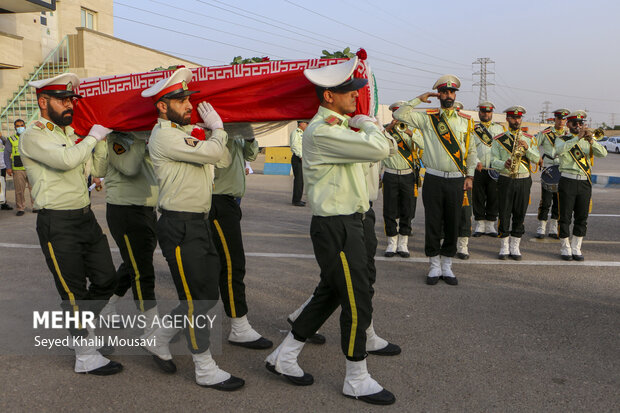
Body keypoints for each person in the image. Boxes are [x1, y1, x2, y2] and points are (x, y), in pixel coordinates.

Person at [265, 57, 398, 405]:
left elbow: (385, 152)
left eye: (356, 92)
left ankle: (285, 355)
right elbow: (382, 147)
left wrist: (361, 125)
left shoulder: (340, 128)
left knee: (331, 293)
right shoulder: (323, 132)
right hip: (336, 225)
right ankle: (356, 377)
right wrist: (368, 122)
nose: (356, 97)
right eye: (348, 92)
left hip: (349, 221)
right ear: (328, 97)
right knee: (356, 298)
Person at [142, 68, 244, 391]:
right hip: (179, 225)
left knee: (207, 295)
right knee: (195, 299)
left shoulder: (187, 135)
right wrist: (217, 130)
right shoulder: (165, 136)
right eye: (181, 100)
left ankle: (157, 337)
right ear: (162, 106)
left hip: (199, 223)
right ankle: (204, 366)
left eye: (189, 98)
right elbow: (216, 151)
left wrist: (210, 136)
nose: (189, 105)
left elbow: (223, 158)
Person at [19, 73, 121, 375]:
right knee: (73, 291)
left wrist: (100, 140)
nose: (69, 105)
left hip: (84, 218)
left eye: (71, 100)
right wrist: (92, 136)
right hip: (57, 223)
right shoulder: (34, 134)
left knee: (107, 280)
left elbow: (96, 168)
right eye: (63, 100)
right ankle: (85, 357)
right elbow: (65, 161)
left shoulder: (69, 133)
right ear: (42, 101)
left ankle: (82, 332)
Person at [393, 74, 477, 286]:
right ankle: (433, 265)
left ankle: (447, 264)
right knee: (433, 222)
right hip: (433, 178)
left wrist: (470, 175)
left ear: (455, 95)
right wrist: (419, 99)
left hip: (457, 180)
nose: (448, 95)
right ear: (438, 95)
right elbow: (400, 114)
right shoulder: (428, 118)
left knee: (452, 222)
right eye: (444, 92)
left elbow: (472, 151)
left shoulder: (466, 121)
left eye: (451, 92)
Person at [208, 130, 273, 349]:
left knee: (218, 267)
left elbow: (251, 155)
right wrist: (221, 131)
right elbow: (219, 160)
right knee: (232, 264)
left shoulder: (233, 131)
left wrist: (250, 136)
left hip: (231, 201)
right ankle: (239, 326)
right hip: (217, 201)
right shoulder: (212, 132)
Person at [96, 130, 160, 342]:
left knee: (134, 263)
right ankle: (151, 327)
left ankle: (107, 305)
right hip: (125, 210)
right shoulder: (117, 140)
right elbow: (130, 167)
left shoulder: (149, 138)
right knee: (142, 270)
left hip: (147, 210)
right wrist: (141, 139)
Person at [555, 111, 607, 260]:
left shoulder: (588, 140)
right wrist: (577, 138)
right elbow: (559, 150)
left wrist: (591, 141)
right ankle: (565, 247)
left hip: (584, 181)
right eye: (574, 123)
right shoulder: (562, 139)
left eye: (580, 123)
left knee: (582, 216)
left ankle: (576, 247)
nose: (578, 126)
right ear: (568, 124)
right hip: (568, 180)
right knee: (564, 216)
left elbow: (603, 154)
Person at [490, 106, 539, 260]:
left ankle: (515, 246)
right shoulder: (499, 139)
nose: (516, 120)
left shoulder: (530, 139)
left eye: (518, 118)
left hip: (524, 179)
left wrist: (527, 149)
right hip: (506, 179)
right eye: (513, 117)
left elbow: (537, 159)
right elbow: (492, 160)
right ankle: (504, 246)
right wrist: (503, 163)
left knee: (520, 212)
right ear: (507, 119)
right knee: (504, 212)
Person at [381, 101, 422, 258]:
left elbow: (423, 145)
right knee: (389, 209)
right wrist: (389, 129)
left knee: (407, 208)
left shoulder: (412, 130)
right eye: (395, 113)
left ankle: (403, 243)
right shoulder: (386, 129)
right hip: (391, 173)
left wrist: (411, 134)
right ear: (392, 114)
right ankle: (392, 242)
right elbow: (376, 141)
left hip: (407, 174)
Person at [472, 101, 505, 237]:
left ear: (492, 113)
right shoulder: (473, 129)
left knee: (493, 196)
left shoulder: (499, 129)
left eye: (488, 111)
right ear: (479, 113)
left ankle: (490, 224)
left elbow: (503, 149)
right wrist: (476, 161)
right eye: (483, 111)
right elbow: (470, 148)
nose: (486, 114)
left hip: (494, 168)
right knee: (478, 196)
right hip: (479, 168)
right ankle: (480, 225)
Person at [535, 108, 570, 239]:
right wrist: (537, 157)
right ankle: (541, 226)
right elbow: (533, 145)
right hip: (549, 169)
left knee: (559, 201)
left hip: (563, 169)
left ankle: (554, 227)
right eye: (559, 118)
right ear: (554, 119)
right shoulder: (545, 133)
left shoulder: (568, 134)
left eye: (564, 119)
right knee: (546, 200)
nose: (561, 121)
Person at [6, 119, 35, 215]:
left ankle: (35, 206)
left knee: (34, 189)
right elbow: (6, 154)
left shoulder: (30, 137)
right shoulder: (11, 139)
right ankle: (20, 208)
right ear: (15, 128)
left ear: (25, 126)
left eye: (21, 125)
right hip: (18, 169)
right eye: (18, 126)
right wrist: (8, 167)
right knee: (19, 190)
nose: (20, 127)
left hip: (30, 167)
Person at [290, 121, 307, 206]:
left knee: (302, 180)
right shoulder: (295, 133)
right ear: (300, 124)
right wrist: (300, 156)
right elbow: (294, 145)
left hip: (303, 158)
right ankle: (296, 200)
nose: (307, 125)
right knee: (299, 180)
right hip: (298, 158)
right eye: (305, 123)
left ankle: (298, 198)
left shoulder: (304, 133)